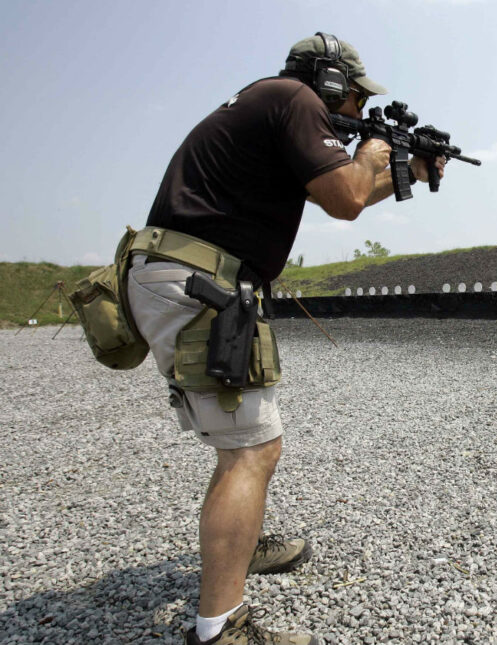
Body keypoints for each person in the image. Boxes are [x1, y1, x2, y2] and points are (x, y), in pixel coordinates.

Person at [124, 33, 446, 645]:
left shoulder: (270, 103)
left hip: (187, 277)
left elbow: (344, 194)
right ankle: (220, 629)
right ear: (329, 81)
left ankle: (239, 549)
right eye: (354, 98)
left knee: (241, 444)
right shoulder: (295, 100)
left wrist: (412, 168)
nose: (356, 110)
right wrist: (374, 151)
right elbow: (348, 197)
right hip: (202, 284)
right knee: (252, 451)